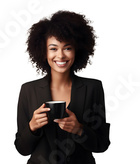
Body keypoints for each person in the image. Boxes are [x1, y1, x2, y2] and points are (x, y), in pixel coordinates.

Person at [14, 11, 110, 164]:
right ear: (43, 52)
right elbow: (22, 149)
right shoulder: (28, 90)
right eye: (53, 48)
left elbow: (102, 144)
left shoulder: (93, 88)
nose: (60, 55)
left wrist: (79, 129)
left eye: (67, 48)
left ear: (76, 50)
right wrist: (32, 127)